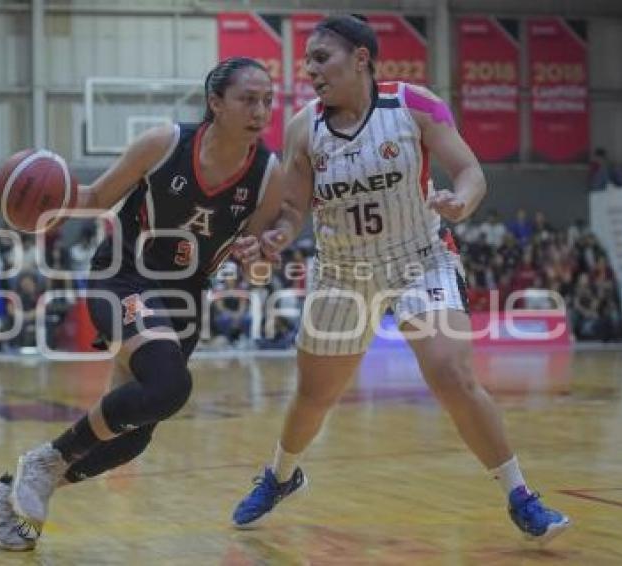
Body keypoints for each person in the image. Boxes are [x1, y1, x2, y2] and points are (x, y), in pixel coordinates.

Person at [230, 15, 570, 543]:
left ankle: (520, 495)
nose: (311, 70)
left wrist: (462, 201)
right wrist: (277, 235)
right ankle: (280, 475)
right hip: (342, 270)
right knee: (314, 396)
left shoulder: (414, 104)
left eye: (322, 58)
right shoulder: (304, 128)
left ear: (361, 58)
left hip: (419, 257)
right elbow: (294, 208)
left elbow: (472, 171)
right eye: (308, 62)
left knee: (450, 373)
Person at [0, 56, 283, 551]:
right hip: (124, 274)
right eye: (248, 98)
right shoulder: (164, 143)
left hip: (186, 299)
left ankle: (5, 492)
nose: (261, 110)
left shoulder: (268, 175)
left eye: (268, 99)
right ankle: (46, 459)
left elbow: (257, 271)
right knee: (170, 383)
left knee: (132, 436)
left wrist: (259, 256)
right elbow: (93, 199)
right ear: (215, 103)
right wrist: (48, 201)